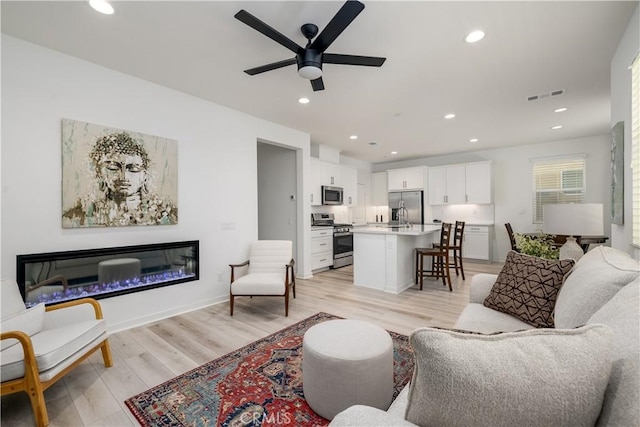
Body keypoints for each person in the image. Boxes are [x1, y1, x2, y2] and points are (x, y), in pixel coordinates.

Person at [63, 132, 178, 227]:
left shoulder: (166, 214)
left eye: (133, 169)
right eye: (113, 168)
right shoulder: (78, 215)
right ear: (100, 172)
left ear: (145, 175)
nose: (123, 177)